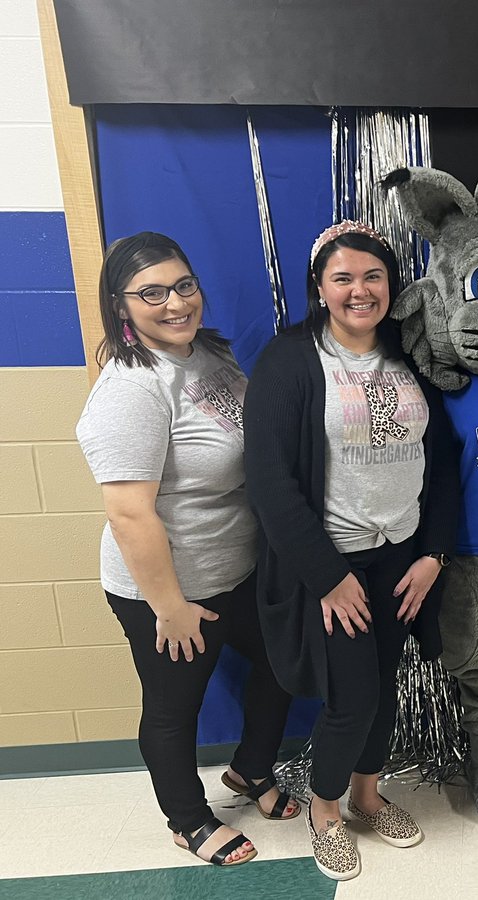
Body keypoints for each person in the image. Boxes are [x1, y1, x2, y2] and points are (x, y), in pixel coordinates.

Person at [243, 220, 459, 881]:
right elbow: (271, 483)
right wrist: (327, 577)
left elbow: (445, 460)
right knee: (352, 698)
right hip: (331, 563)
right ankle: (326, 812)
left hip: (401, 556)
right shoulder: (289, 361)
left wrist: (434, 554)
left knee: (386, 687)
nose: (360, 290)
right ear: (319, 287)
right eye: (343, 278)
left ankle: (367, 797)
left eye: (373, 277)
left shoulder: (405, 354)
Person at [76, 232, 298, 868]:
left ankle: (252, 771)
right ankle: (187, 818)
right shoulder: (131, 390)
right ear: (121, 306)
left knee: (286, 665)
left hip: (240, 570)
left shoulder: (206, 354)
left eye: (183, 286)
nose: (174, 303)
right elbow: (127, 511)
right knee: (175, 709)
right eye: (152, 293)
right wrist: (169, 606)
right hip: (169, 589)